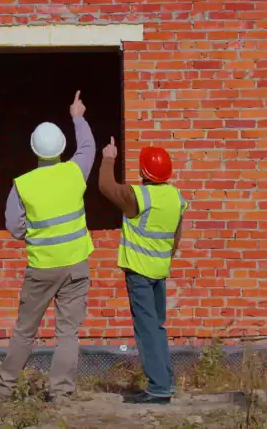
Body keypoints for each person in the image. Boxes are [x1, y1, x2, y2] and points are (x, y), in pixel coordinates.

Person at [0, 91, 96, 403]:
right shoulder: (76, 171)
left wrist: (33, 234)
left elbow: (13, 227)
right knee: (67, 333)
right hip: (76, 264)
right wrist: (77, 116)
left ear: (34, 149)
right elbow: (88, 147)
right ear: (62, 148)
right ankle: (61, 393)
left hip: (42, 267)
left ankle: (5, 387)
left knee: (25, 330)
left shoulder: (23, 184)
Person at [98, 139, 187, 405]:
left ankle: (159, 387)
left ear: (143, 172)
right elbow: (176, 238)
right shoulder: (176, 197)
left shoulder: (139, 196)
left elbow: (106, 187)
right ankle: (166, 381)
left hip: (139, 272)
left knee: (146, 329)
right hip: (160, 269)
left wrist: (109, 158)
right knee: (157, 327)